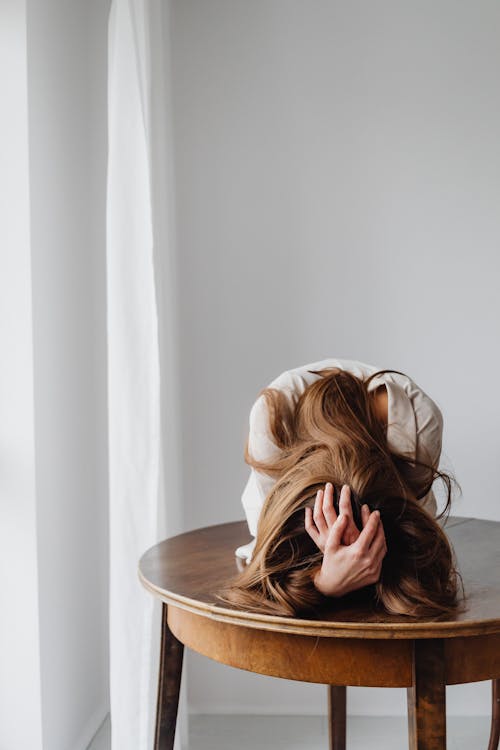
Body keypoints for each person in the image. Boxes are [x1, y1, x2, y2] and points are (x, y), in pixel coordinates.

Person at [219, 358, 463, 619]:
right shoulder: (273, 421)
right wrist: (323, 583)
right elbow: (265, 568)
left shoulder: (416, 425)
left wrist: (376, 556)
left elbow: (425, 572)